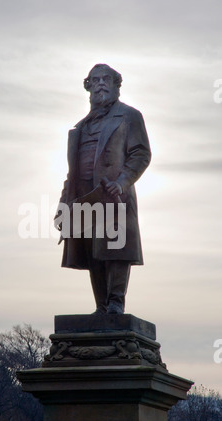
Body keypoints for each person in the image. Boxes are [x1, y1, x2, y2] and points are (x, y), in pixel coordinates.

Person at [55, 64, 151, 315]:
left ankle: (116, 303)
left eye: (106, 79)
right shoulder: (80, 127)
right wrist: (63, 205)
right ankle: (101, 307)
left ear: (116, 84)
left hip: (113, 193)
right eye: (94, 80)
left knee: (116, 248)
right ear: (87, 86)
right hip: (84, 195)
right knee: (93, 250)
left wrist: (122, 182)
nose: (100, 84)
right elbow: (71, 172)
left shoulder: (129, 116)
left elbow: (141, 154)